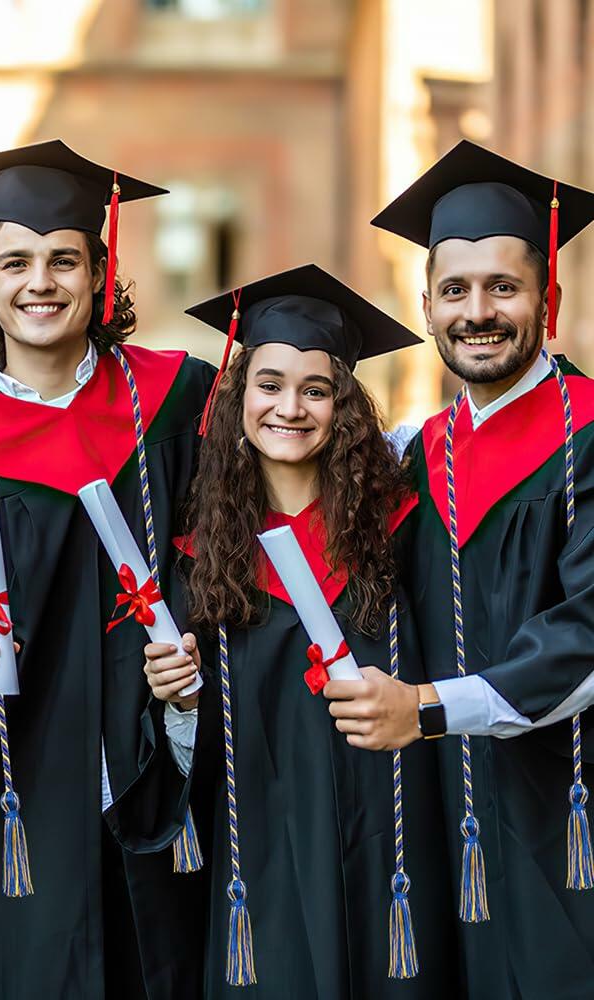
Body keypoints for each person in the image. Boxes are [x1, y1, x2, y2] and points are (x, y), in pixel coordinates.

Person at [0, 139, 214, 1000]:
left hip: (172, 798)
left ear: (96, 272)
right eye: (15, 263)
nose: (39, 282)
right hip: (20, 823)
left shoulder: (179, 400)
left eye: (61, 260)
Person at [329, 140, 594, 998]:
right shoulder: (414, 456)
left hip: (570, 821)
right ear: (427, 306)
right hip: (443, 823)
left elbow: (587, 633)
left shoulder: (587, 436)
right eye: (455, 290)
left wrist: (431, 707)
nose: (477, 311)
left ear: (547, 299)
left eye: (503, 287)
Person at [148, 264, 458, 997]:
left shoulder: (401, 531)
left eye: (315, 389)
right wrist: (180, 704)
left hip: (395, 848)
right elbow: (187, 759)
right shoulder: (201, 560)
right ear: (238, 397)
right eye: (270, 384)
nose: (291, 407)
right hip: (263, 859)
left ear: (343, 406)